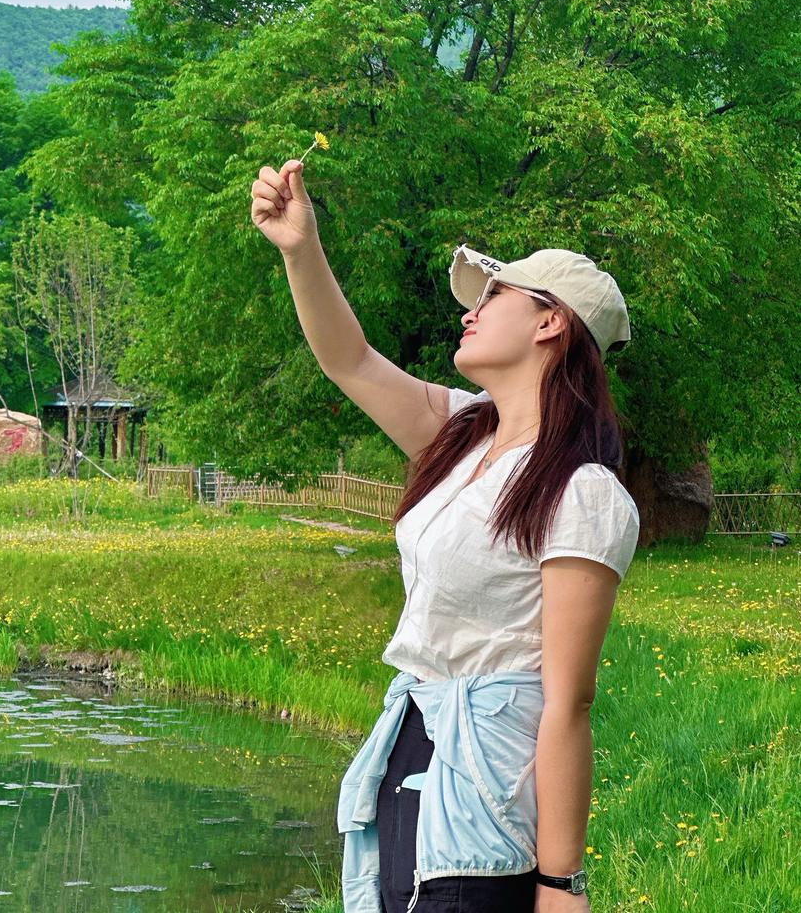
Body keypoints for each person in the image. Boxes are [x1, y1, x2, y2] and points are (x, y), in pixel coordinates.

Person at [250, 158, 641, 913]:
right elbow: (349, 359)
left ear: (550, 322)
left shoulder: (582, 491)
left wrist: (561, 884)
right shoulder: (461, 434)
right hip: (411, 751)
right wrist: (301, 249)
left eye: (494, 296)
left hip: (489, 787)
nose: (471, 310)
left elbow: (569, 700)